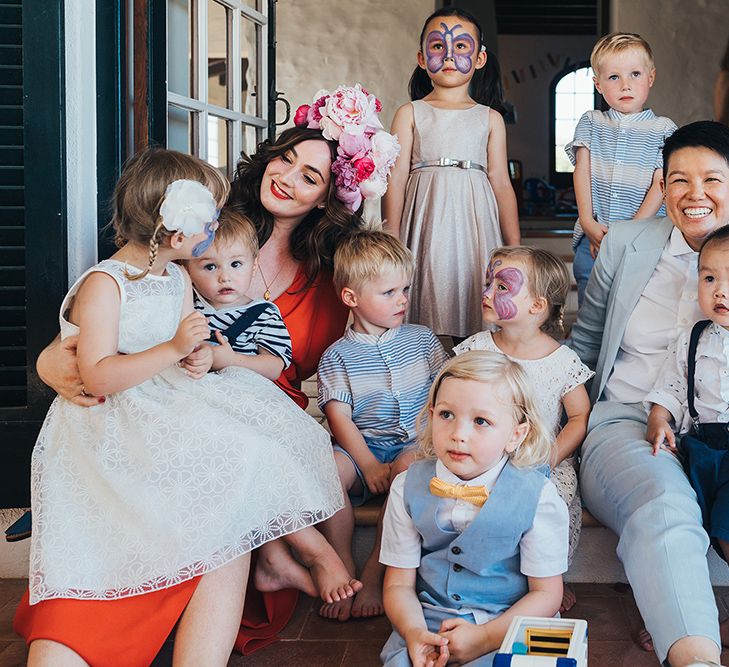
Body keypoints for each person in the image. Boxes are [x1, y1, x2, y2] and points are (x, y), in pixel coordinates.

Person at [33, 85, 400, 654]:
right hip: (181, 401)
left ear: (327, 199)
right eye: (286, 159)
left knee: (283, 464)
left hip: (251, 405)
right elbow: (97, 334)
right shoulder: (202, 227)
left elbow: (366, 349)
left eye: (312, 176)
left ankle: (284, 565)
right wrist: (52, 365)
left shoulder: (328, 271)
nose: (289, 177)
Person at [569, 120, 729, 665]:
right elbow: (585, 343)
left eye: (712, 178)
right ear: (661, 184)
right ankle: (694, 655)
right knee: (665, 503)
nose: (694, 194)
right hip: (629, 418)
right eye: (678, 179)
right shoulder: (627, 242)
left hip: (721, 426)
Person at [379, 351, 568, 666]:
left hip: (512, 622)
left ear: (515, 434)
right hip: (429, 622)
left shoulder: (539, 497)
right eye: (446, 415)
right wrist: (414, 632)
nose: (458, 434)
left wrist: (484, 638)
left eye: (481, 421)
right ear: (431, 413)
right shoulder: (406, 486)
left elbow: (547, 595)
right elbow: (398, 584)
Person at [317, 230, 449, 622]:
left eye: (404, 289)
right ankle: (342, 564)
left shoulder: (422, 340)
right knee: (329, 470)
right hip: (362, 447)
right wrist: (368, 464)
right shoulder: (337, 356)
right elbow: (338, 417)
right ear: (352, 299)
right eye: (389, 292)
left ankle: (375, 569)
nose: (403, 299)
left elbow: (443, 395)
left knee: (408, 471)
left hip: (413, 443)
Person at [453, 246, 592, 612]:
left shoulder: (562, 361)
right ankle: (483, 574)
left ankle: (547, 579)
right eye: (488, 283)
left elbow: (578, 416)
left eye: (502, 287)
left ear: (537, 306)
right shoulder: (475, 349)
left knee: (555, 499)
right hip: (479, 456)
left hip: (539, 459)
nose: (486, 293)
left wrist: (554, 455)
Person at [383, 7, 520, 341]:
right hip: (426, 215)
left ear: (480, 58)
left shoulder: (490, 118)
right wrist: (393, 236)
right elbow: (397, 177)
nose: (448, 55)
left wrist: (515, 246)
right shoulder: (410, 113)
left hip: (475, 218)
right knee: (427, 287)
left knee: (473, 288)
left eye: (460, 46)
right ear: (421, 56)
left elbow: (500, 181)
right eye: (436, 46)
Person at [567, 32, 677, 306]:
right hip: (594, 236)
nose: (625, 85)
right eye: (614, 77)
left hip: (642, 240)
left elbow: (660, 185)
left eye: (635, 74)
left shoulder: (663, 129)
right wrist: (588, 223)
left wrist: (626, 234)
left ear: (650, 78)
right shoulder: (591, 122)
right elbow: (581, 171)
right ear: (598, 85)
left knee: (634, 309)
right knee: (590, 308)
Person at [646, 225, 729, 570]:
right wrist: (658, 418)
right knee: (706, 524)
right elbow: (674, 386)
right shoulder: (694, 338)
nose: (720, 291)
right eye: (708, 279)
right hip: (705, 451)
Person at [186, 207, 292, 380]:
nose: (225, 277)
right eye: (210, 267)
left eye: (235, 264)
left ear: (254, 265)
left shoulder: (264, 314)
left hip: (240, 397)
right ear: (188, 271)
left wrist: (231, 360)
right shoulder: (186, 306)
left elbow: (274, 367)